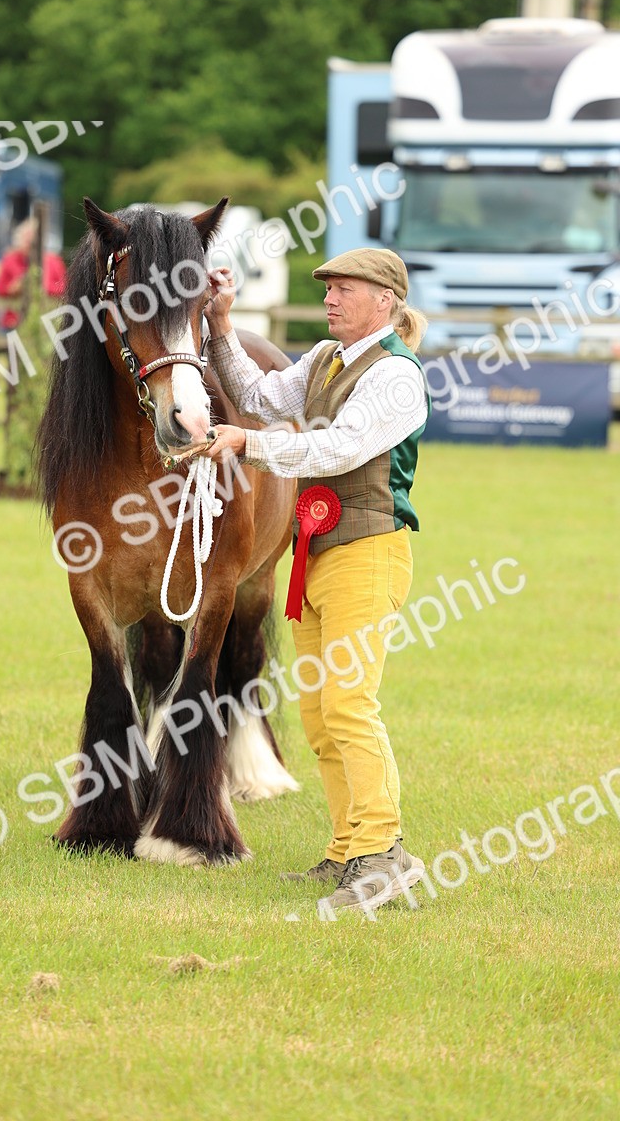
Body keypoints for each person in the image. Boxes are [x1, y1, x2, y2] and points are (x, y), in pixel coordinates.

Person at [202, 248, 430, 916]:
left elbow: (338, 447)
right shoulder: (326, 362)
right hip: (317, 551)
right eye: (327, 288)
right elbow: (254, 395)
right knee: (319, 713)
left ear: (384, 301)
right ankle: (347, 849)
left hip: (368, 551)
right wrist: (220, 326)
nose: (330, 298)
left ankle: (383, 853)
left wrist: (249, 444)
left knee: (351, 705)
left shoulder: (395, 375)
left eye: (344, 288)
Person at [0, 218, 66, 330]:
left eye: (32, 241)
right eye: (26, 240)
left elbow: (64, 289)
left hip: (46, 322)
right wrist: (12, 288)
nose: (29, 245)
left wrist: (41, 287)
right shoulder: (10, 260)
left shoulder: (53, 261)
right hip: (14, 321)